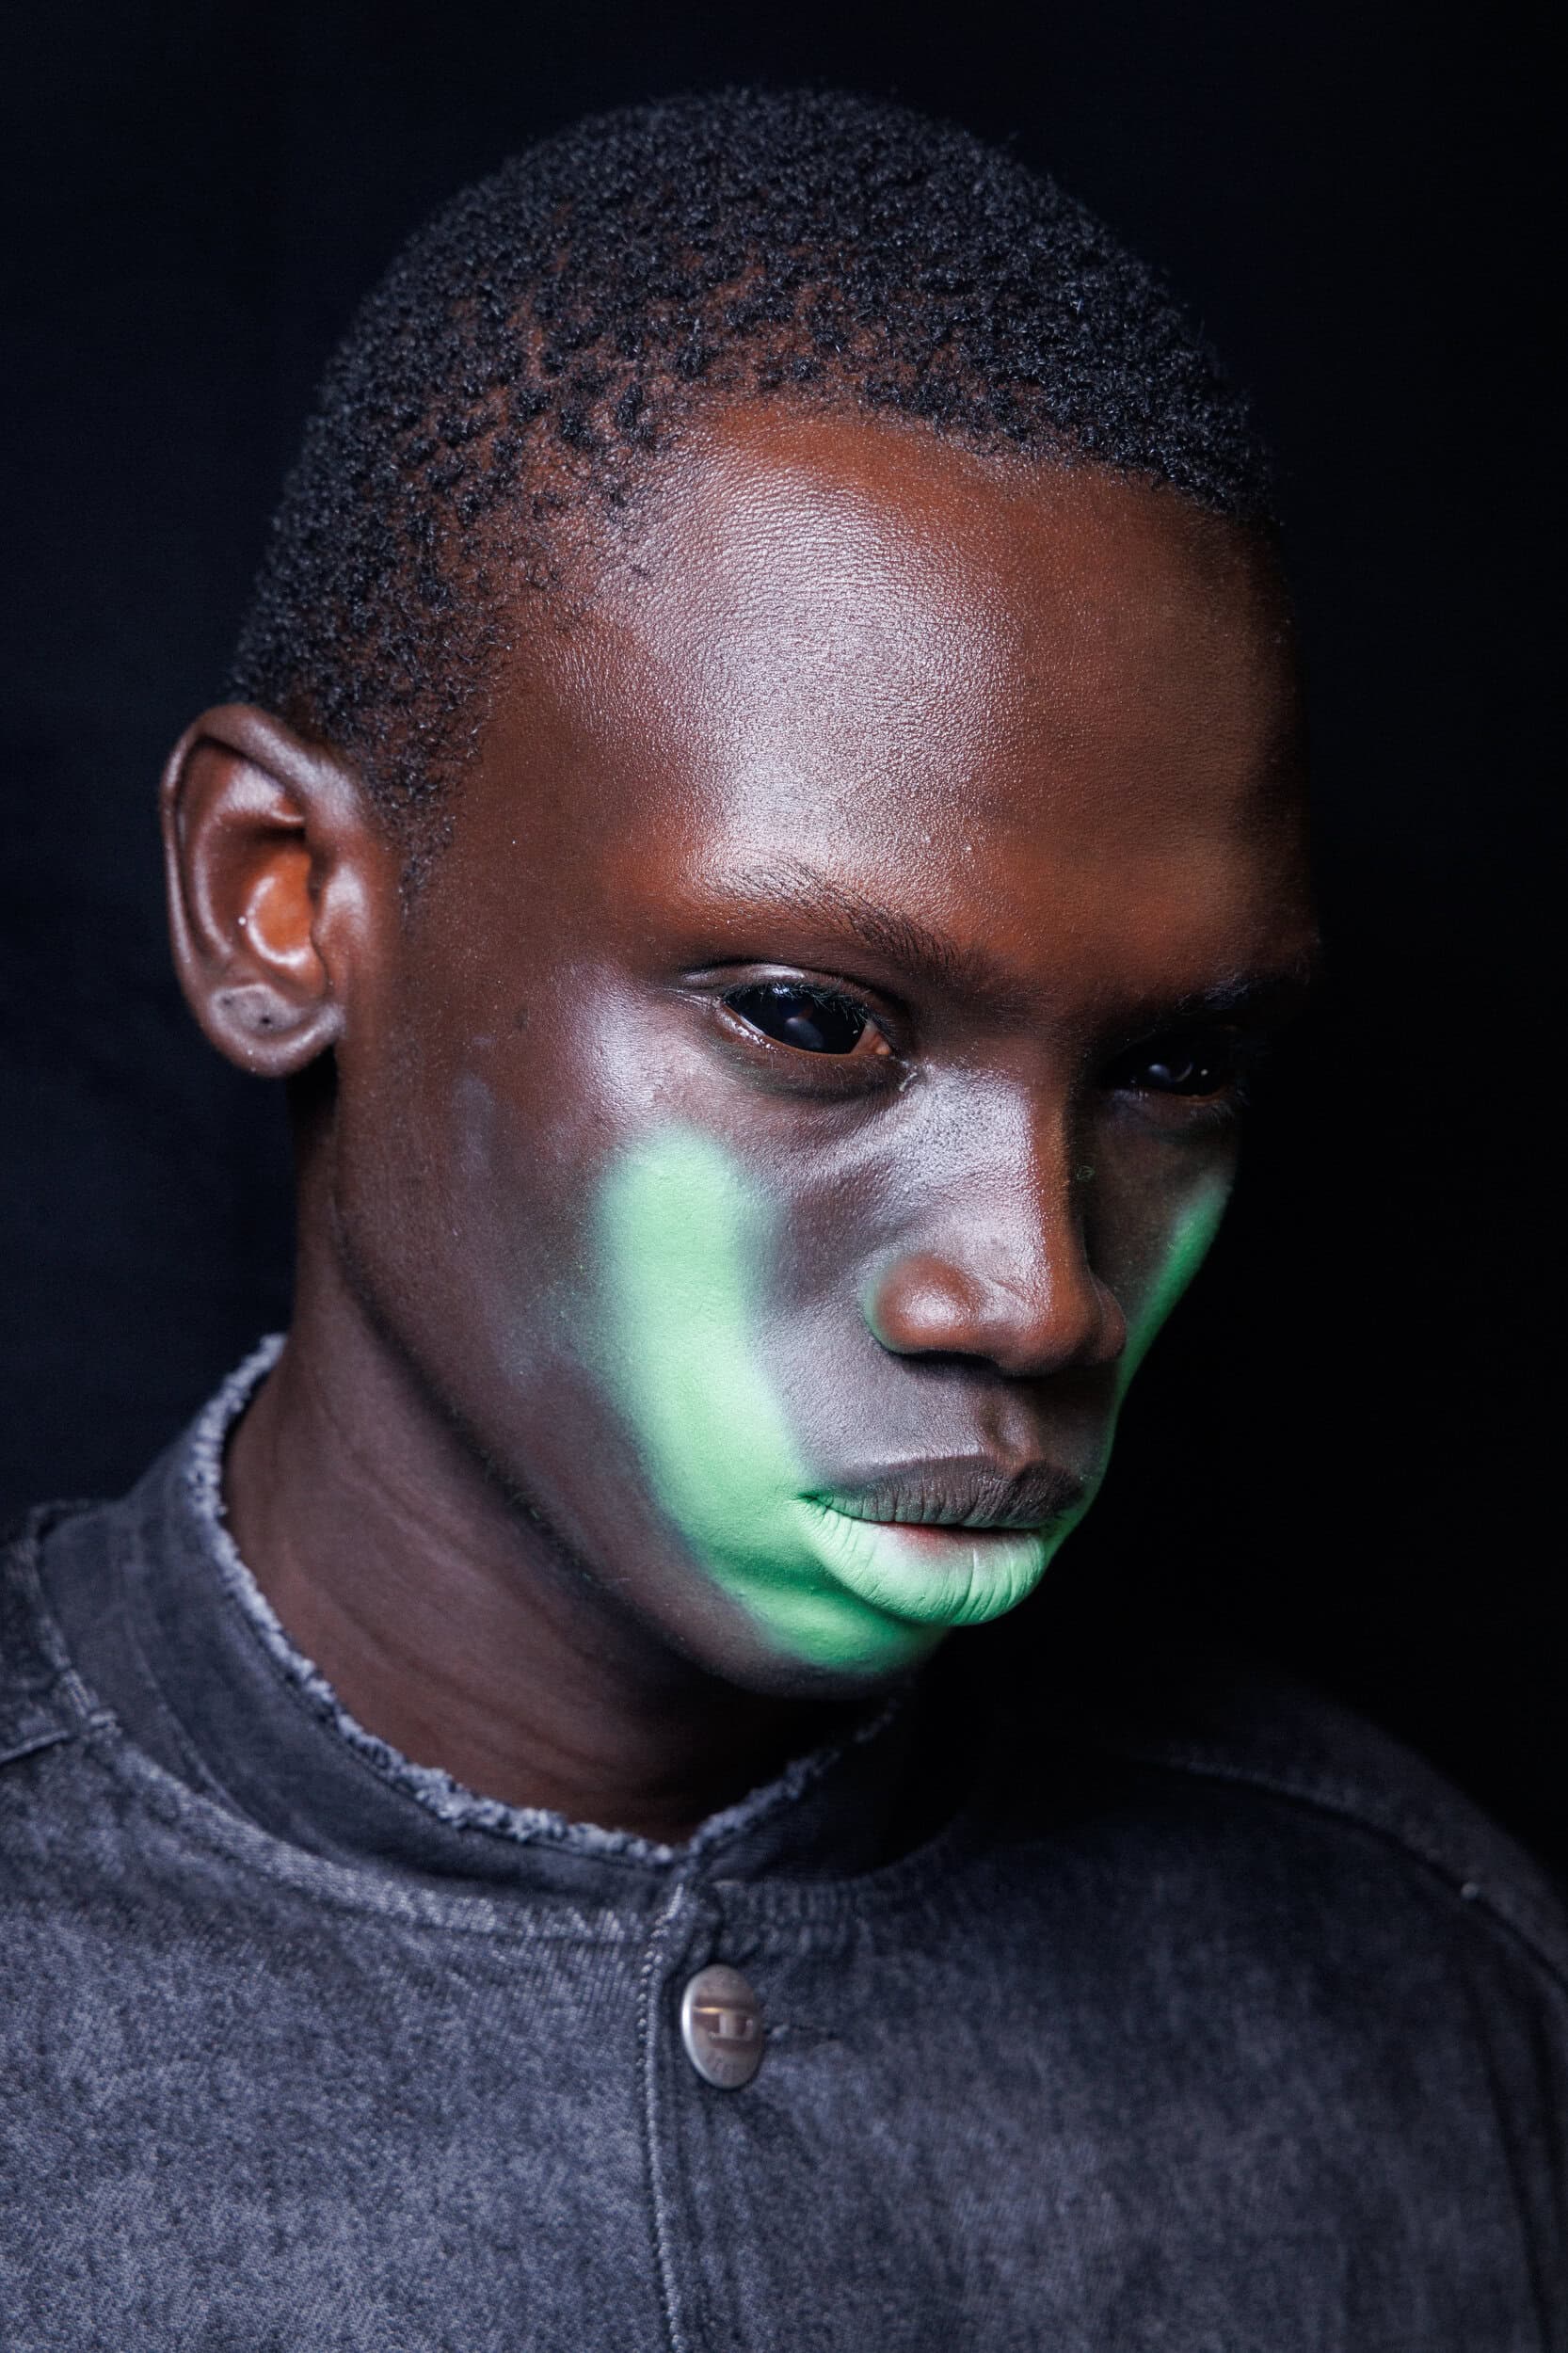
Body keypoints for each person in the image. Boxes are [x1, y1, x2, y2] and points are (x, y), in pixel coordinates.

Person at [1, 88, 1560, 2352]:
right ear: (283, 901)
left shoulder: (1445, 2007)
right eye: (813, 1019)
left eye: (1170, 1064)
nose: (1033, 1290)